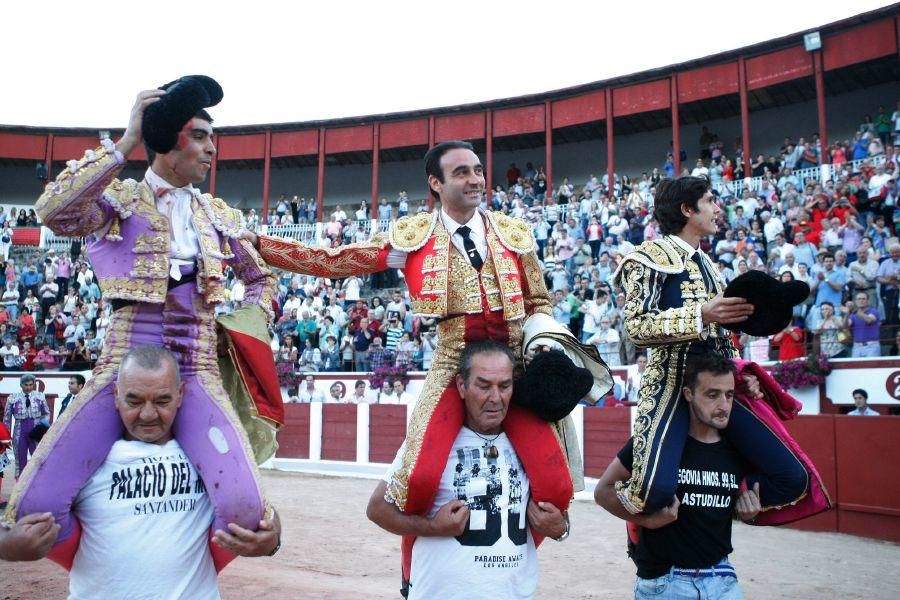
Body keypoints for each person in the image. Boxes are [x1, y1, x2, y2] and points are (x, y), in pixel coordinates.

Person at [244, 140, 610, 518]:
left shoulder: (512, 233)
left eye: (478, 170)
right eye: (462, 172)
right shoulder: (412, 238)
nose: (475, 179)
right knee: (418, 480)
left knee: (558, 486)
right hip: (455, 363)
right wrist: (262, 243)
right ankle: (414, 567)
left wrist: (544, 339)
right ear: (436, 183)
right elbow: (335, 261)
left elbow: (538, 301)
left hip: (514, 363)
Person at [10, 79, 282, 564]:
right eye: (200, 136)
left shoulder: (216, 214)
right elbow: (51, 210)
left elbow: (262, 280)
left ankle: (176, 572)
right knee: (36, 509)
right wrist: (126, 141)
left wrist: (242, 326)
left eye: (210, 138)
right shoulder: (119, 201)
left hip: (196, 366)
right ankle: (102, 567)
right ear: (168, 142)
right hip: (122, 366)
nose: (210, 149)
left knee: (244, 509)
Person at [0, 346, 281, 597]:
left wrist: (273, 538)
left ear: (181, 394)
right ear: (116, 395)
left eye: (162, 401)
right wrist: (7, 546)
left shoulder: (203, 457)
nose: (148, 415)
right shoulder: (85, 460)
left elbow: (259, 509)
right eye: (134, 401)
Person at [612, 176, 809, 515]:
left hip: (718, 386)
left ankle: (713, 509)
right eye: (710, 202)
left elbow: (723, 338)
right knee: (652, 492)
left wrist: (738, 375)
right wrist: (701, 313)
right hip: (671, 385)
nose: (719, 209)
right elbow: (636, 328)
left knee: (792, 478)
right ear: (687, 210)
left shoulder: (711, 268)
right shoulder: (647, 258)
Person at [366, 342, 571, 599]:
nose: (495, 398)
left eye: (504, 386)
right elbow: (377, 509)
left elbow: (558, 519)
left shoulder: (530, 446)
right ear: (462, 386)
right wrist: (432, 526)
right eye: (483, 386)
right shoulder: (429, 443)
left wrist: (560, 528)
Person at [595, 354, 758, 599]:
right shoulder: (655, 444)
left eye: (729, 395)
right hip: (666, 582)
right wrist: (647, 521)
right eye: (712, 395)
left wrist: (749, 514)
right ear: (689, 393)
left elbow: (724, 506)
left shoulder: (737, 448)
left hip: (722, 577)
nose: (723, 405)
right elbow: (603, 491)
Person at [3, 374, 51, 477]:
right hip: (19, 430)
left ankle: (36, 486)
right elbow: (7, 419)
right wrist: (6, 437)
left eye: (30, 384)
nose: (28, 387)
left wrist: (41, 429)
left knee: (37, 459)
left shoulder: (40, 396)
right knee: (20, 461)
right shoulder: (12, 398)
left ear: (34, 384)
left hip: (35, 430)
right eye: (26, 385)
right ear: (21, 385)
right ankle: (19, 488)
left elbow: (47, 413)